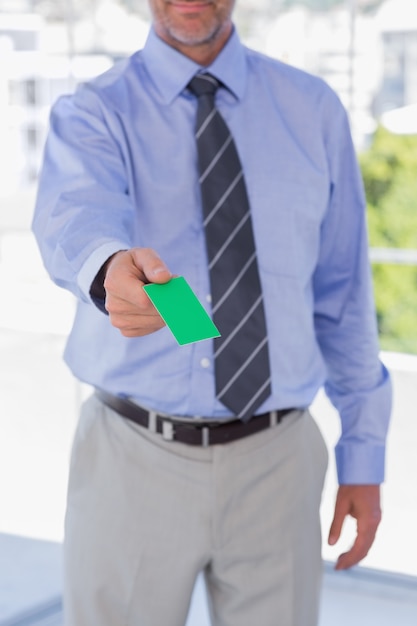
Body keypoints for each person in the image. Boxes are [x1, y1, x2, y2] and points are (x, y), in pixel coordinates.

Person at [32, 1, 392, 625]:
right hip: (133, 458)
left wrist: (364, 458)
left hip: (277, 461)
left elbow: (343, 296)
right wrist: (106, 266)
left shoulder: (312, 110)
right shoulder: (94, 111)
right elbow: (75, 213)